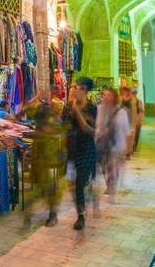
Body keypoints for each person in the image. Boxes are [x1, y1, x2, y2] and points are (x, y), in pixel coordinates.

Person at [27, 86, 69, 228]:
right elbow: (28, 108)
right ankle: (50, 211)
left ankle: (53, 214)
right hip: (41, 156)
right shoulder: (45, 114)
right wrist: (37, 96)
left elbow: (63, 135)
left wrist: (45, 133)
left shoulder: (59, 121)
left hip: (53, 158)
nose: (59, 111)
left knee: (53, 187)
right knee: (43, 184)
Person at [68, 77, 97, 230]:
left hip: (87, 147)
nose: (78, 91)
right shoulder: (70, 106)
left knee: (79, 181)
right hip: (74, 146)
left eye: (81, 88)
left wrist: (76, 110)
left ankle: (81, 217)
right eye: (76, 87)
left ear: (86, 91)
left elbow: (88, 129)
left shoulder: (92, 108)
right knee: (76, 182)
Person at [95, 87, 131, 196]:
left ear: (114, 97)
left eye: (108, 95)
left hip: (116, 144)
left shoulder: (121, 112)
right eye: (104, 95)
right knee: (104, 166)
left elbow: (126, 130)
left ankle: (111, 186)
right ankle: (109, 183)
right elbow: (96, 125)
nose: (105, 97)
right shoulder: (99, 109)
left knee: (112, 165)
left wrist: (128, 145)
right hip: (102, 143)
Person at [120, 86, 141, 159]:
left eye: (128, 90)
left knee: (130, 135)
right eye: (125, 90)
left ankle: (128, 151)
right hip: (121, 120)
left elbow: (138, 110)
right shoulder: (119, 100)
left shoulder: (135, 100)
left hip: (131, 120)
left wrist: (139, 119)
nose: (126, 92)